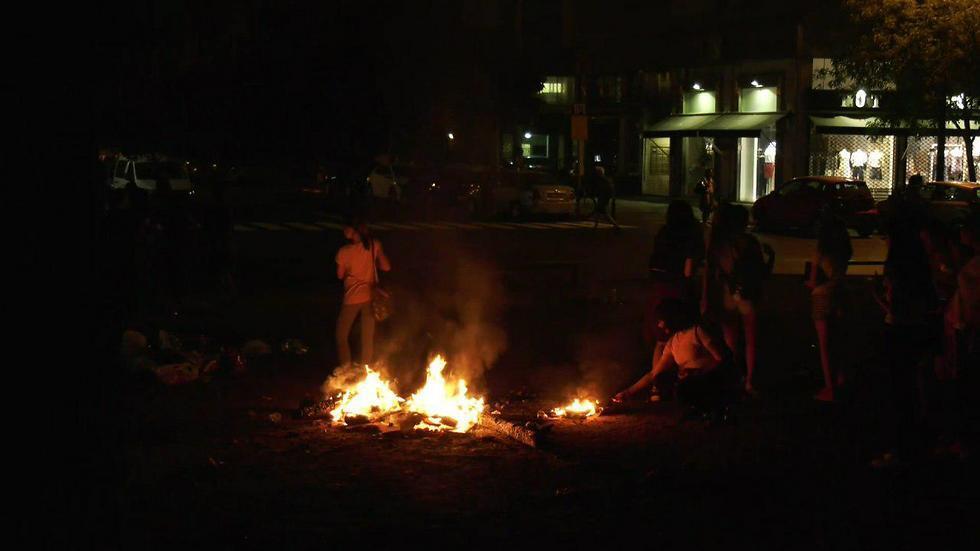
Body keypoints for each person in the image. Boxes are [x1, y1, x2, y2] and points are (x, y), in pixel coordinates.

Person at [870, 217, 938, 468]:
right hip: (917, 332)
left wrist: (878, 296)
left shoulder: (898, 270)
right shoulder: (921, 269)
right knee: (912, 391)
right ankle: (915, 445)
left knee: (898, 392)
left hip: (899, 332)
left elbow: (896, 310)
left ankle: (899, 450)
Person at [615, 299, 734, 423]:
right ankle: (695, 408)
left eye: (661, 320)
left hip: (711, 380)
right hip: (690, 383)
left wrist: (699, 372)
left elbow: (723, 359)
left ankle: (716, 408)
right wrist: (628, 392)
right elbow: (653, 374)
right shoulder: (673, 342)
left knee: (687, 385)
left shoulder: (697, 332)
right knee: (662, 379)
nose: (659, 325)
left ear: (672, 318)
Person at [702, 203, 775, 396]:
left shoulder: (719, 244)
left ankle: (734, 376)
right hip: (747, 295)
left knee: (730, 342)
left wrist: (706, 299)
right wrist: (771, 258)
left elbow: (711, 274)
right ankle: (750, 380)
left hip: (726, 295)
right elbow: (761, 272)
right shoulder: (749, 242)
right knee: (751, 340)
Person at [645, 200, 705, 399]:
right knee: (681, 336)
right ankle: (684, 380)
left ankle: (657, 387)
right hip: (677, 289)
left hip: (659, 288)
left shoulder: (664, 232)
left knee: (661, 341)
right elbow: (688, 269)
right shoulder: (691, 235)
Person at [807, 213, 853, 401]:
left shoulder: (821, 249)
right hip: (841, 293)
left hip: (822, 296)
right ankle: (841, 377)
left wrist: (810, 283)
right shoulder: (844, 249)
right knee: (839, 339)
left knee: (825, 345)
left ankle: (829, 387)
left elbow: (812, 280)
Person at [335, 218, 391, 368]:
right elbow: (386, 267)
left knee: (341, 335)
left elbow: (340, 275)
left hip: (352, 298)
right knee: (367, 337)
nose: (344, 231)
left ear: (353, 231)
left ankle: (346, 371)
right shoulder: (374, 244)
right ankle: (365, 370)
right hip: (370, 297)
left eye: (346, 228)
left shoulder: (344, 252)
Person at [591, 165, 620, 230]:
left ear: (599, 172)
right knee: (599, 212)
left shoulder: (603, 180)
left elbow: (605, 189)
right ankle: (596, 225)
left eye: (597, 172)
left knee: (605, 214)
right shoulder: (604, 179)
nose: (596, 173)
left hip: (603, 199)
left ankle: (616, 225)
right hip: (603, 198)